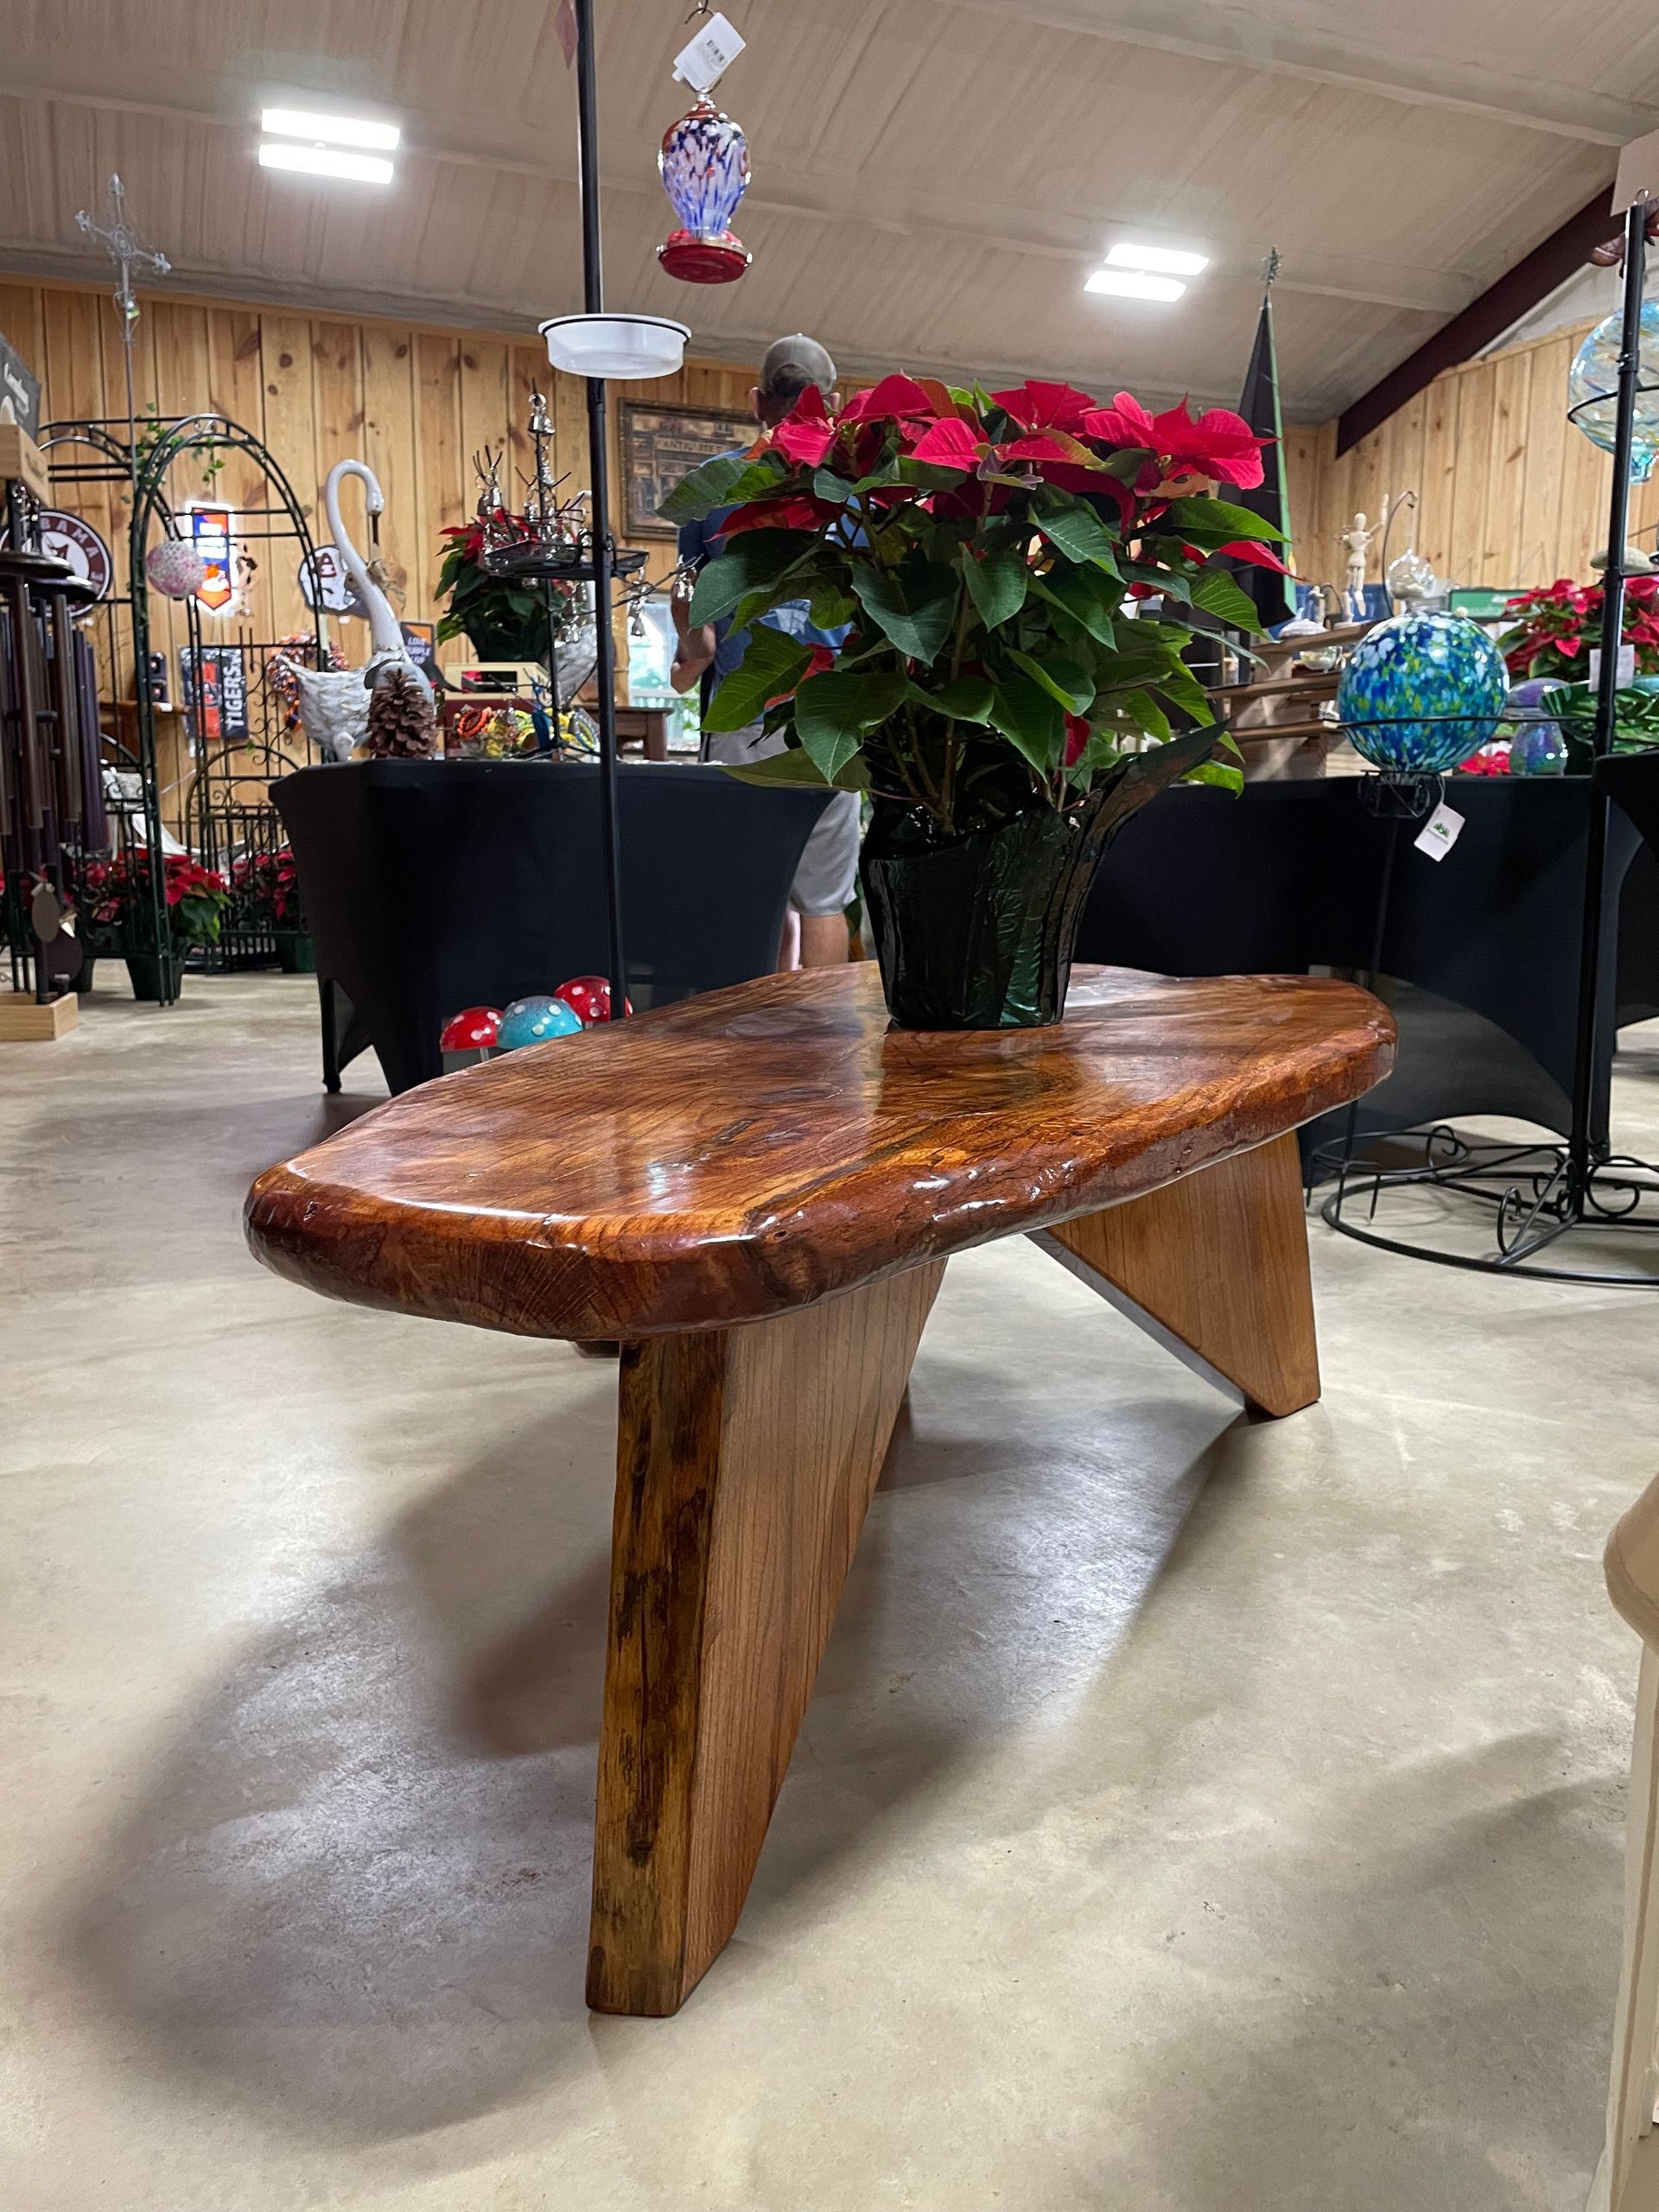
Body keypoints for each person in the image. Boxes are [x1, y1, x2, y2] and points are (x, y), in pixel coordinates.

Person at [671, 334, 861, 969]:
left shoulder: (711, 488)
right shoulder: (857, 495)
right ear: (832, 406)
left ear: (757, 402)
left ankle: (764, 1041)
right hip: (831, 719)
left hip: (745, 715)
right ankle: (826, 1039)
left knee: (761, 893)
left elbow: (693, 618)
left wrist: (690, 659)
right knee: (825, 902)